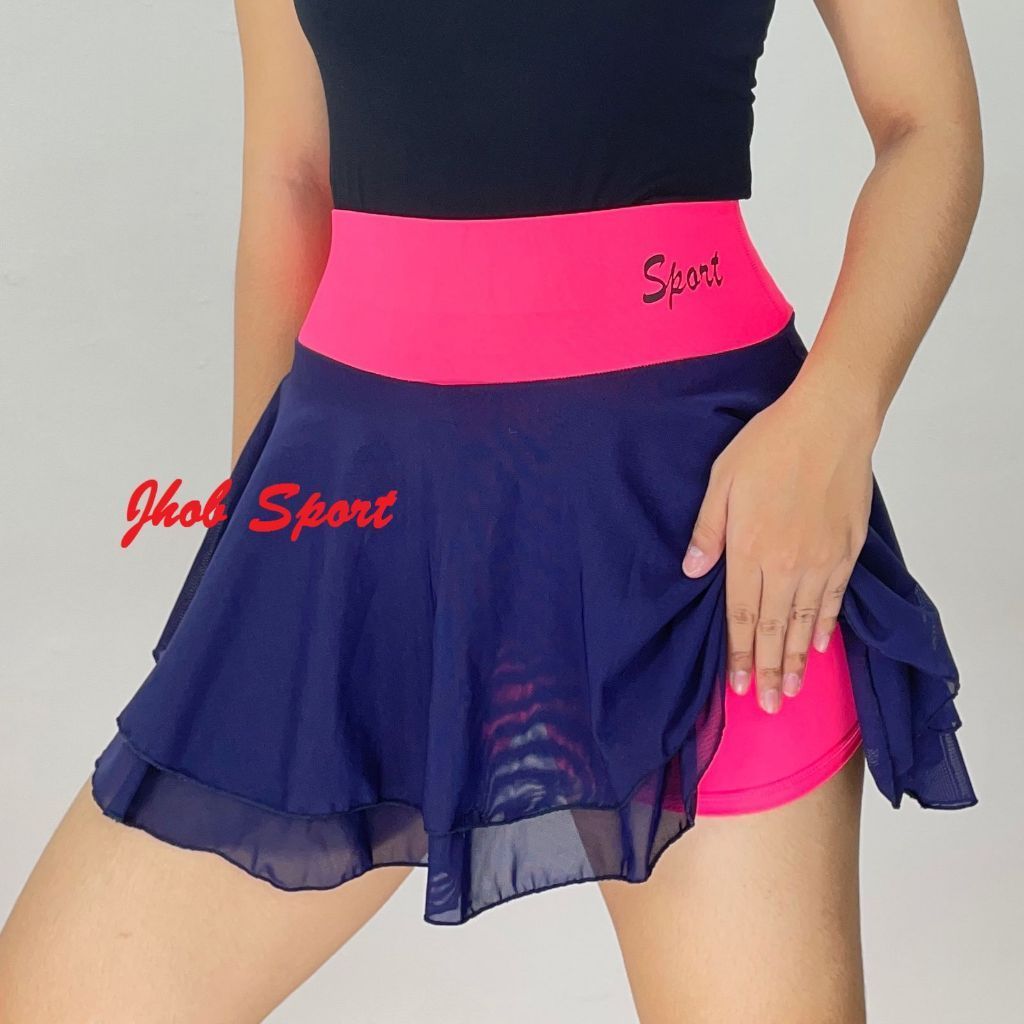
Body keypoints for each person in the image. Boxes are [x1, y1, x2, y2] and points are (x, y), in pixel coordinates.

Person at [0, 2, 982, 1021]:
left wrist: (833, 416)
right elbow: (292, 177)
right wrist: (262, 548)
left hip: (702, 529)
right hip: (361, 526)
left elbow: (929, 124)